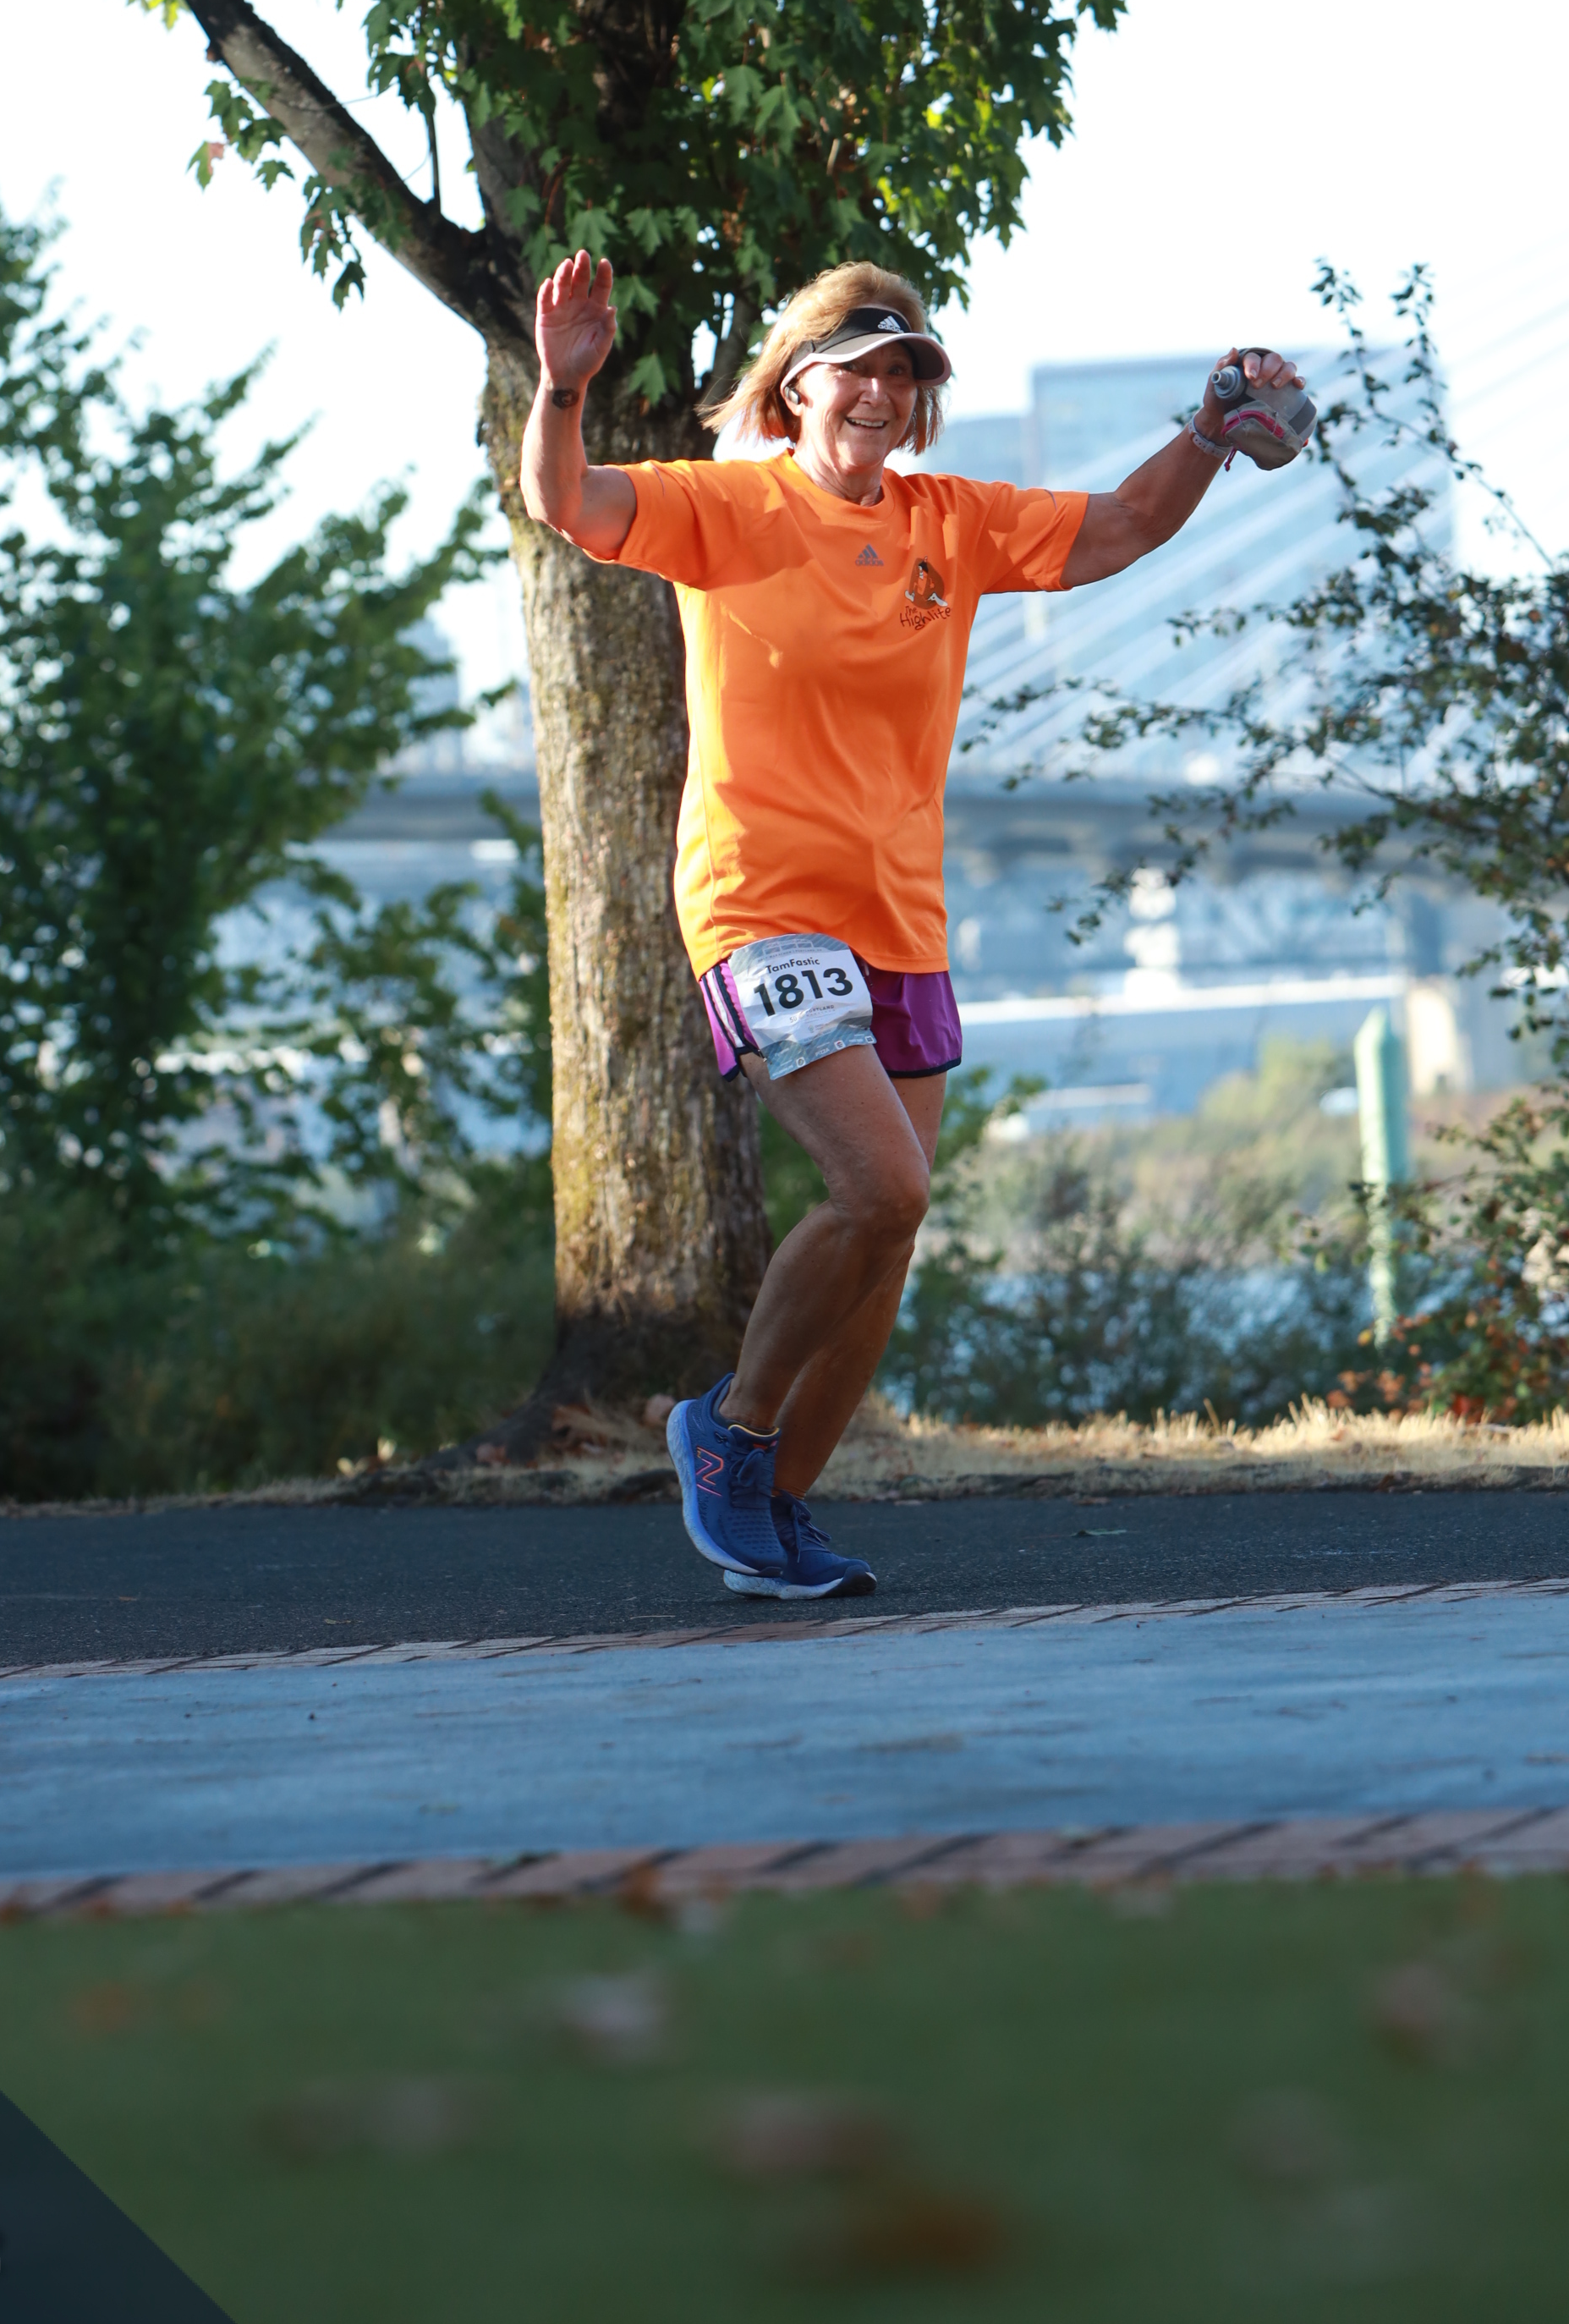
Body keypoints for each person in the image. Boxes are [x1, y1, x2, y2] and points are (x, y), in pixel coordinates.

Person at [521, 250, 1303, 1600]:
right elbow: (570, 503)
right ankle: (729, 1433)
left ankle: (779, 1511)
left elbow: (1121, 526)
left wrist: (1210, 428)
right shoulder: (726, 506)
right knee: (884, 1186)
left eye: (904, 373)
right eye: (855, 370)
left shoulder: (950, 520)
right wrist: (560, 390)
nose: (880, 393)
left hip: (901, 919)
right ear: (797, 387)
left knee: (886, 1245)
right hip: (761, 904)